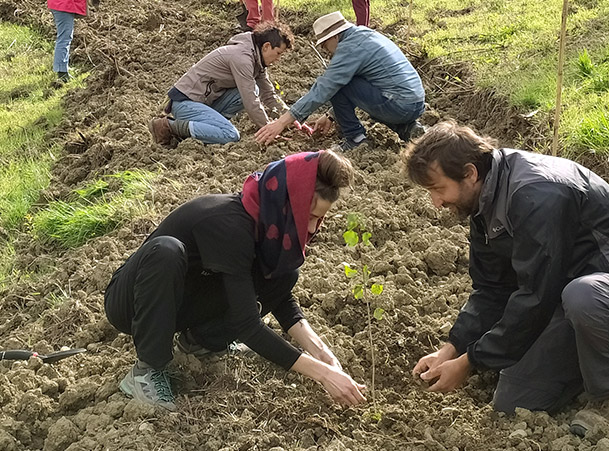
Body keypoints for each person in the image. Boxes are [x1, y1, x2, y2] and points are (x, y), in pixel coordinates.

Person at [404, 121, 609, 436]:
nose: (436, 203)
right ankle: (595, 351)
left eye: (438, 190)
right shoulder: (484, 203)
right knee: (513, 403)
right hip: (568, 296)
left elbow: (536, 296)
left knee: (585, 296)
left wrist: (470, 361)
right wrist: (452, 349)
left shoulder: (536, 193)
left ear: (470, 173)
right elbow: (492, 289)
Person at [104, 150, 367, 411]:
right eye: (309, 217)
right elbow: (247, 325)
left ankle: (200, 341)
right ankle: (146, 370)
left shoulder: (266, 229)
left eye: (319, 218)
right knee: (167, 251)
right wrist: (322, 374)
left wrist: (322, 352)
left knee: (285, 275)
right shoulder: (231, 226)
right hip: (132, 302)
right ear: (288, 204)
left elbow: (280, 297)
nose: (311, 229)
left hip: (183, 298)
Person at [254, 11, 426, 151]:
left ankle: (356, 138)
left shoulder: (349, 48)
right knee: (347, 82)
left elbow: (324, 88)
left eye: (324, 45)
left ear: (333, 37)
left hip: (399, 104)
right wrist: (331, 115)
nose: (326, 51)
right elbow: (365, 88)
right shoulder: (364, 35)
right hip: (415, 102)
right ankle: (407, 129)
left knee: (336, 85)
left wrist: (282, 122)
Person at [149, 22, 308, 147]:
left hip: (203, 104)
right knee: (230, 135)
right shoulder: (242, 58)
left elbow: (268, 95)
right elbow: (250, 99)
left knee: (256, 89)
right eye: (278, 53)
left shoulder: (256, 59)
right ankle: (168, 126)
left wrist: (290, 119)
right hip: (185, 103)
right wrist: (268, 129)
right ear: (266, 46)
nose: (278, 59)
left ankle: (206, 131)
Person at [48, 0, 87, 82]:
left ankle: (63, 66)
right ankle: (62, 73)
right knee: (64, 39)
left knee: (65, 37)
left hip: (60, 5)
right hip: (63, 6)